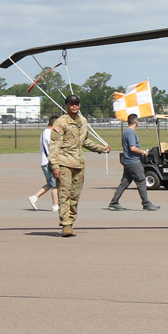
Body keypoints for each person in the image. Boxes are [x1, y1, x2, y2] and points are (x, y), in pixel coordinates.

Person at [51, 94, 110, 237]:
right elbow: (54, 145)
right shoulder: (61, 123)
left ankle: (71, 222)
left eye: (76, 104)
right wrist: (55, 166)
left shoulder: (83, 121)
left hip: (79, 164)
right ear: (66, 106)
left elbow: (84, 141)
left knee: (75, 195)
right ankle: (65, 224)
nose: (74, 106)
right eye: (71, 104)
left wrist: (102, 149)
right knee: (64, 194)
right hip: (64, 163)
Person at [110, 113, 161, 211]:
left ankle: (114, 202)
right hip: (133, 161)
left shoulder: (126, 132)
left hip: (128, 161)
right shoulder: (130, 133)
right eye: (138, 120)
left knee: (124, 182)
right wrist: (143, 152)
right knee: (141, 181)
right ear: (136, 121)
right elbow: (132, 147)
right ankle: (146, 203)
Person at [28, 114, 60, 211]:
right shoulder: (49, 134)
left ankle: (35, 197)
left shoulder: (45, 132)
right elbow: (53, 147)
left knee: (52, 183)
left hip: (46, 161)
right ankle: (55, 205)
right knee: (54, 184)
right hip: (48, 162)